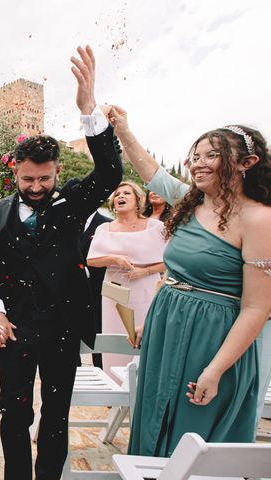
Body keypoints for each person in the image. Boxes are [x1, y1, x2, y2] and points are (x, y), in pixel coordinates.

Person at [0, 46, 123, 479]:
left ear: (57, 172)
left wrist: (88, 109)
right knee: (14, 416)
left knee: (56, 419)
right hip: (15, 331)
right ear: (16, 174)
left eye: (45, 178)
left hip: (63, 328)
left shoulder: (72, 203)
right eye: (29, 179)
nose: (37, 186)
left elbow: (111, 173)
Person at [106, 106, 271, 456]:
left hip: (212, 339)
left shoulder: (259, 220)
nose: (198, 163)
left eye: (212, 155)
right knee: (154, 419)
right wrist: (122, 128)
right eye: (195, 156)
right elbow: (150, 171)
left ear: (248, 162)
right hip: (166, 327)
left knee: (191, 437)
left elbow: (257, 308)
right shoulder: (191, 203)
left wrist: (215, 370)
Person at [86, 181, 167, 374]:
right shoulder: (104, 229)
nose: (120, 196)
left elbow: (171, 260)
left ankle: (144, 385)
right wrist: (114, 258)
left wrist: (145, 271)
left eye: (126, 193)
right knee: (116, 336)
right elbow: (92, 260)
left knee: (146, 337)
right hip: (115, 292)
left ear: (138, 199)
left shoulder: (155, 227)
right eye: (117, 194)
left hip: (146, 288)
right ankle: (115, 387)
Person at [80, 210, 112, 369]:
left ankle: (102, 370)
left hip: (97, 290)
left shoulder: (107, 224)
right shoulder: (66, 220)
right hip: (67, 291)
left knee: (99, 331)